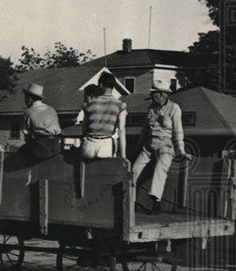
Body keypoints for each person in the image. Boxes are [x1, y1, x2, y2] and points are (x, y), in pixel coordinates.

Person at [131, 80, 191, 214]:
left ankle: (155, 203)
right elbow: (145, 130)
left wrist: (181, 150)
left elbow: (178, 130)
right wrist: (138, 147)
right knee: (134, 170)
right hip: (150, 144)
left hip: (166, 144)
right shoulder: (151, 108)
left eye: (154, 94)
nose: (152, 96)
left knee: (160, 169)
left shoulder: (174, 108)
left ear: (161, 94)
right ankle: (132, 201)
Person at [81, 71, 127, 160]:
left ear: (101, 85)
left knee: (86, 171)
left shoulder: (89, 104)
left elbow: (84, 128)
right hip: (105, 143)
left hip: (89, 143)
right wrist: (123, 156)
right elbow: (121, 131)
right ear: (113, 86)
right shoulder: (120, 105)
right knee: (104, 172)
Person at [20, 82, 61, 160]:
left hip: (41, 149)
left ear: (29, 99)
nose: (25, 101)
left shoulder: (27, 112)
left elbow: (27, 135)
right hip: (56, 147)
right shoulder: (52, 109)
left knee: (21, 152)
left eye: (25, 98)